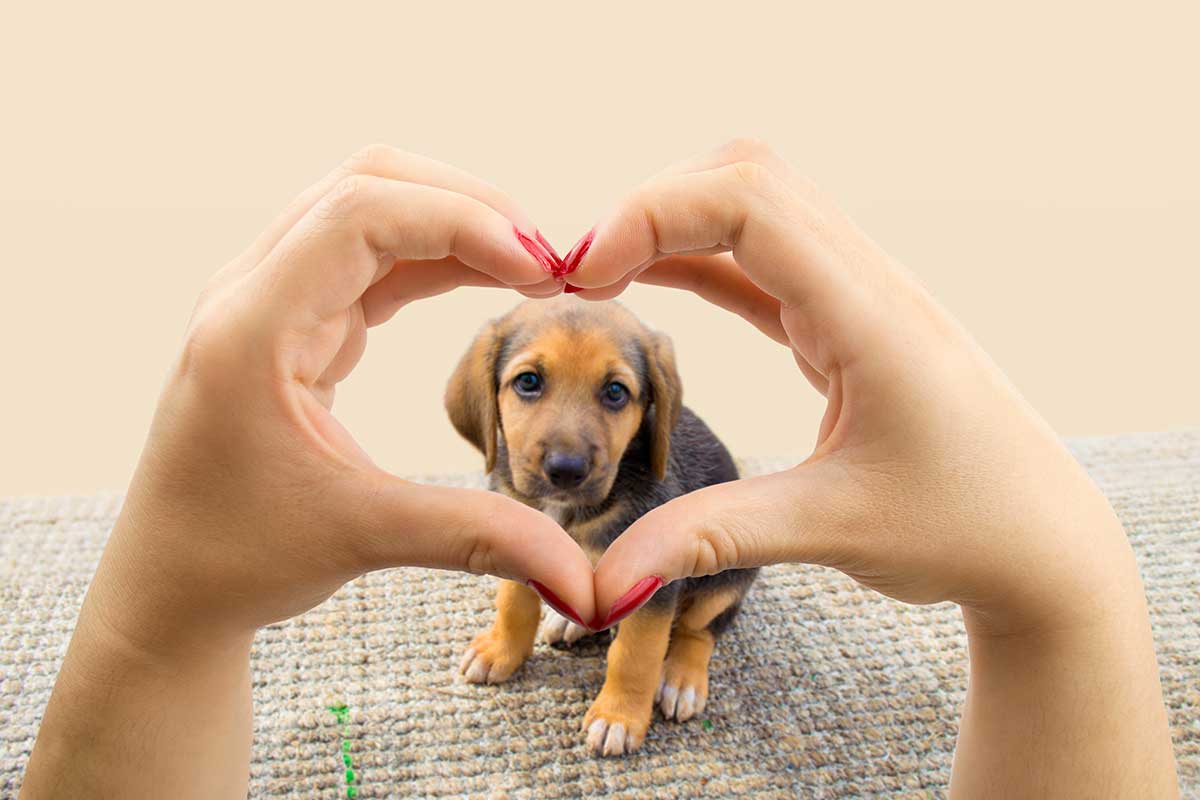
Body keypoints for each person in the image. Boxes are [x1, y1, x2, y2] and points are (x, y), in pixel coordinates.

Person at [20, 142, 1179, 798]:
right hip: (558, 571)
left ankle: (669, 657)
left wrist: (650, 661)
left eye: (610, 397)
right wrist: (513, 624)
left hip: (684, 593)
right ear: (488, 400)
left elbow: (664, 569)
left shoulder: (651, 477)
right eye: (530, 388)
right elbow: (518, 523)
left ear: (652, 410)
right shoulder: (511, 459)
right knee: (533, 561)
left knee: (685, 589)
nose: (566, 439)